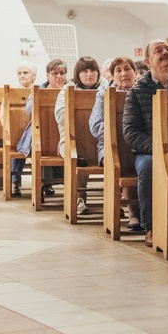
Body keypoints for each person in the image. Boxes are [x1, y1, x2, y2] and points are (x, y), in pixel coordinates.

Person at [123, 40, 168, 247]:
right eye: (158, 51)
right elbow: (130, 132)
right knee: (148, 167)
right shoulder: (137, 91)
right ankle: (151, 226)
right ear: (148, 61)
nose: (165, 54)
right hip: (150, 151)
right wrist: (160, 147)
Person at [89, 57, 140, 230]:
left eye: (127, 69)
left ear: (135, 72)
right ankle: (133, 211)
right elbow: (95, 125)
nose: (124, 73)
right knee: (122, 157)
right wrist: (121, 136)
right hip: (111, 146)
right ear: (112, 75)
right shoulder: (104, 94)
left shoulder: (142, 91)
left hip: (138, 145)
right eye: (118, 70)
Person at [54, 56, 109, 215]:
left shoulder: (106, 89)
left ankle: (114, 201)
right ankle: (79, 198)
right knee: (76, 156)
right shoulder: (67, 89)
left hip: (99, 139)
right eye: (85, 70)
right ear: (78, 73)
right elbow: (59, 114)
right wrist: (81, 120)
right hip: (72, 138)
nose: (89, 74)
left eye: (92, 70)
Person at [11, 59, 67, 198]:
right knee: (43, 141)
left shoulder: (70, 89)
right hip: (42, 130)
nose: (59, 76)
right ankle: (44, 183)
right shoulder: (39, 90)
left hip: (63, 130)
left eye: (62, 73)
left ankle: (57, 184)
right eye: (55, 73)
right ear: (48, 75)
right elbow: (29, 110)